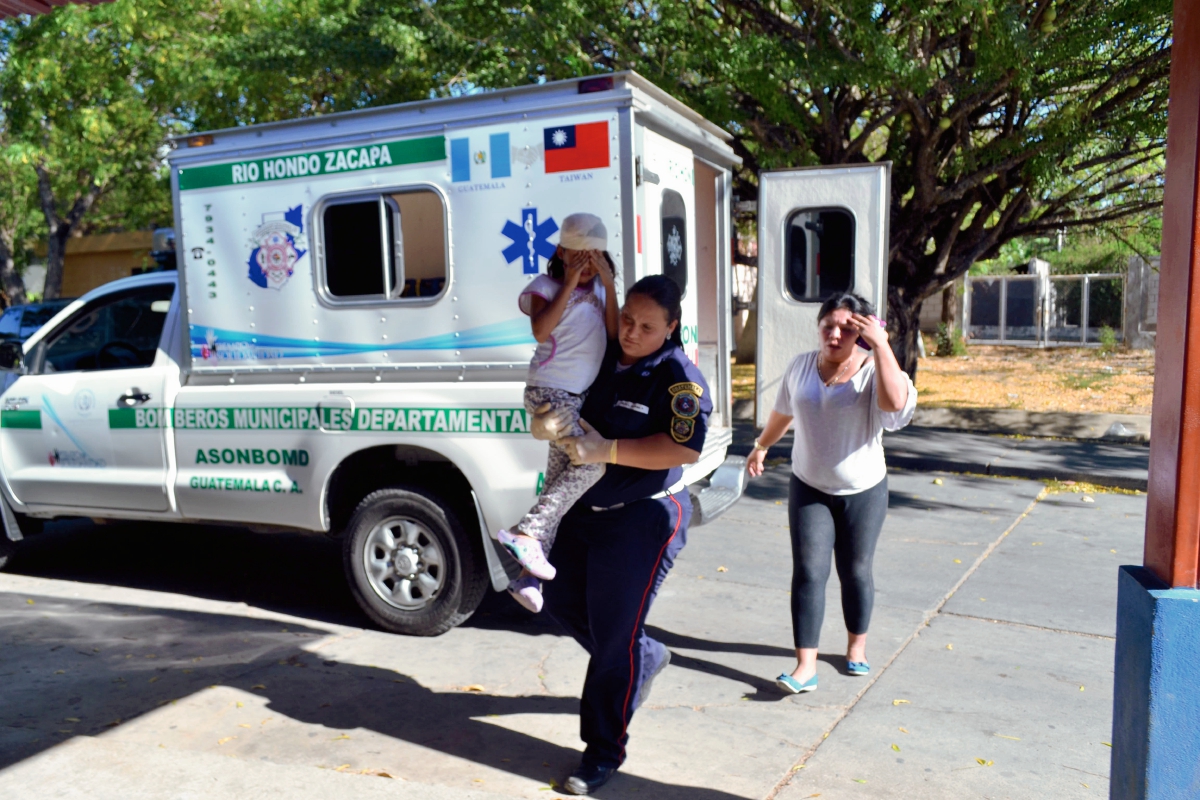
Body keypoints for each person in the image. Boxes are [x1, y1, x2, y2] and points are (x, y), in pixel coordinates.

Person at [529, 275, 711, 795]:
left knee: (613, 639)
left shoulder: (679, 379)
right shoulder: (605, 353)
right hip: (584, 510)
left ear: (670, 328)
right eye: (626, 319)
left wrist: (608, 450)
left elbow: (684, 449)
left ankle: (602, 752)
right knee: (559, 602)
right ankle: (644, 656)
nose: (630, 333)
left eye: (646, 327)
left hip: (640, 518)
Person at [746, 292, 916, 695]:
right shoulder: (801, 366)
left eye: (847, 328)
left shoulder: (875, 370)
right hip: (809, 486)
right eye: (829, 326)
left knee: (855, 572)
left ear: (863, 332)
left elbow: (895, 408)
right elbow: (783, 411)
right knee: (808, 572)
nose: (835, 334)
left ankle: (856, 645)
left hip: (864, 490)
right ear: (818, 327)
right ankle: (806, 667)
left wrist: (881, 344)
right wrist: (762, 445)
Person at [498, 213, 619, 613]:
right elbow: (540, 331)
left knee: (556, 481)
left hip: (577, 398)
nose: (586, 264)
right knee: (592, 465)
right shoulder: (543, 287)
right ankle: (526, 532)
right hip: (550, 393)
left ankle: (528, 579)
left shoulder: (602, 291)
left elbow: (616, 334)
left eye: (594, 256)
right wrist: (569, 280)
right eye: (577, 255)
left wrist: (610, 284)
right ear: (561, 253)